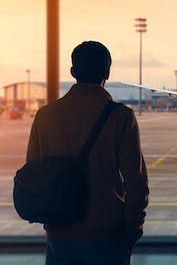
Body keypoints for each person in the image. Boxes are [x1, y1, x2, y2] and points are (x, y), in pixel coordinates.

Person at [26, 41, 149, 265]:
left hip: (60, 233)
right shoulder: (121, 117)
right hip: (108, 235)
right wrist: (131, 232)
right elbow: (136, 184)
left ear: (73, 72)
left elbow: (32, 176)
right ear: (107, 72)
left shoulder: (44, 116)